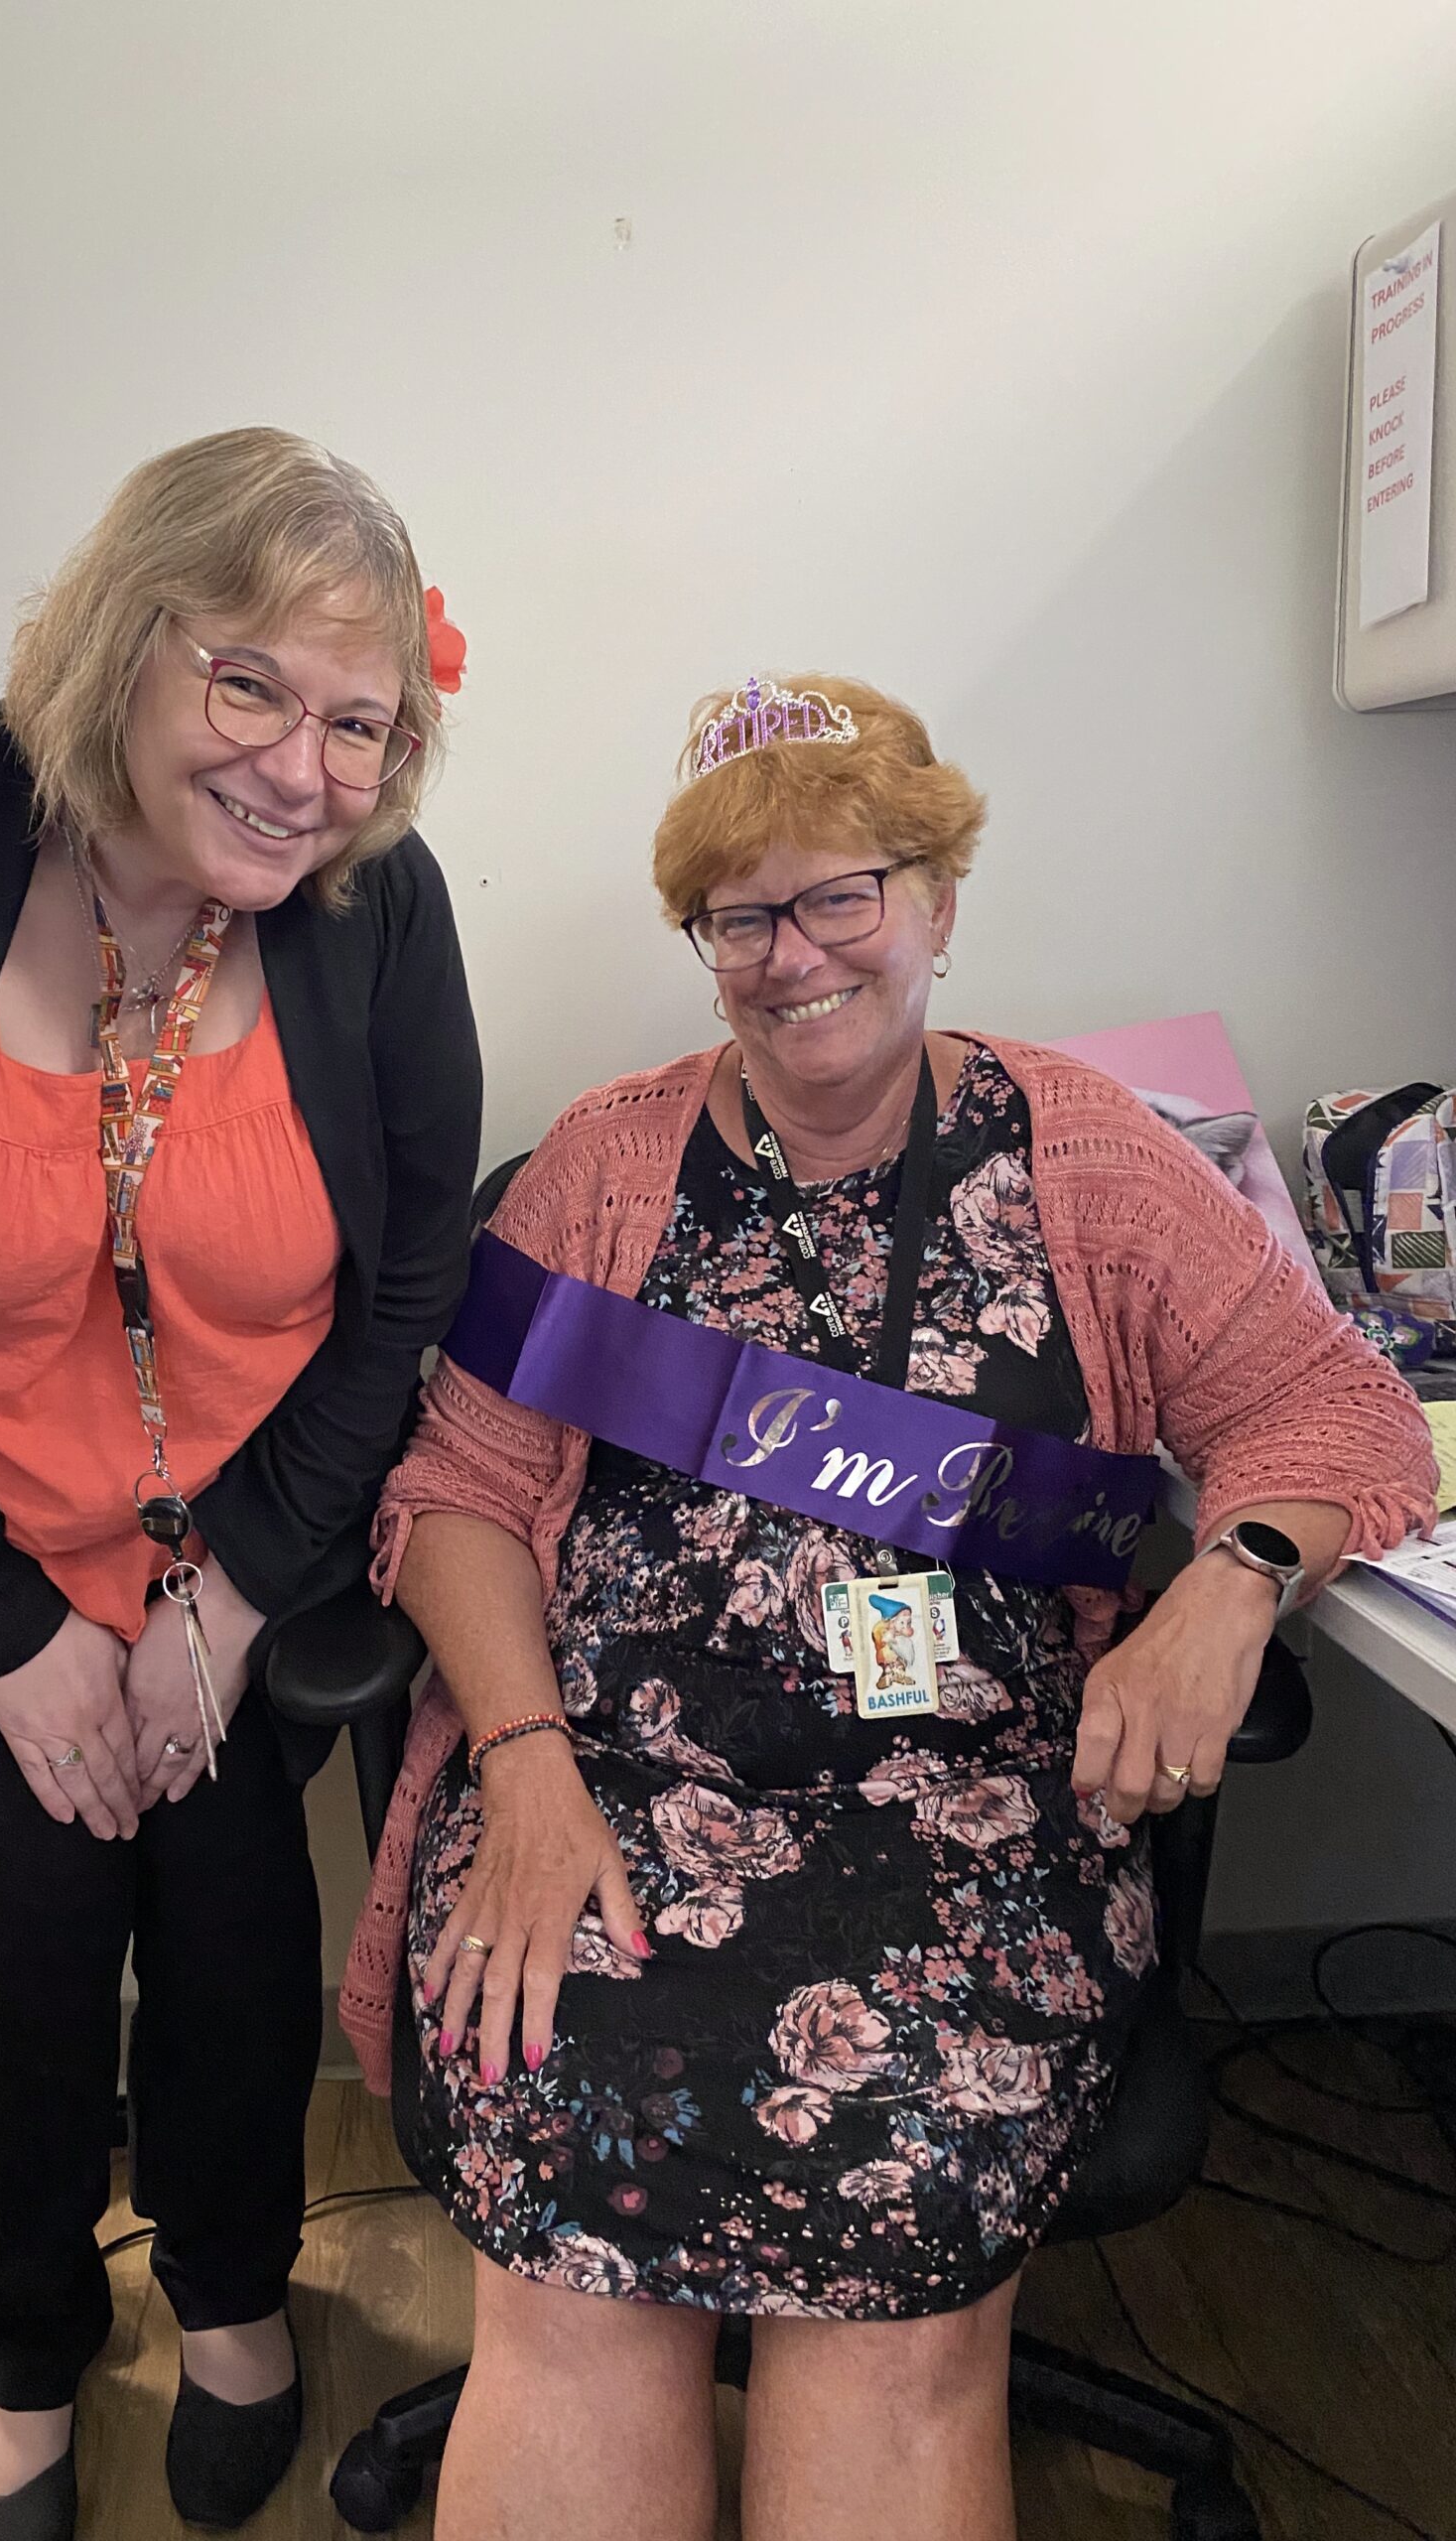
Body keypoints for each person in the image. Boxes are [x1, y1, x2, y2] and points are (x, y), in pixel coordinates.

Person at [339, 673, 1434, 2541]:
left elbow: (1334, 1411)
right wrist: (519, 1768)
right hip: (603, 1798)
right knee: (566, 2244)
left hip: (973, 1823)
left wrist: (1232, 1585)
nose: (796, 954)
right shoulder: (599, 1166)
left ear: (938, 895)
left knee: (894, 2282)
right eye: (740, 916)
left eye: (842, 893)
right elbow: (456, 1495)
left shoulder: (1094, 1158)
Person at [0, 429, 481, 2540]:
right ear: (129, 640)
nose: (302, 769)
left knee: (234, 1911)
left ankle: (231, 2295)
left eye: (358, 722)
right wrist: (10, 1630)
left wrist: (230, 1593)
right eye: (251, 684)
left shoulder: (375, 912)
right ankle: (22, 2351)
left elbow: (409, 1283)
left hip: (251, 1534)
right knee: (25, 1926)